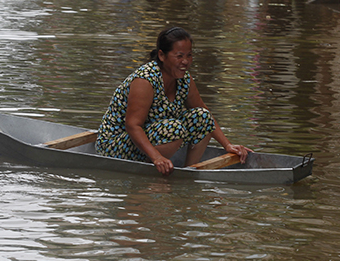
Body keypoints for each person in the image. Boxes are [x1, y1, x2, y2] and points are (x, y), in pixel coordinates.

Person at [96, 27, 251, 175]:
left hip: (155, 136)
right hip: (116, 145)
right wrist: (156, 157)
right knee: (173, 128)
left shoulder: (184, 79)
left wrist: (227, 145)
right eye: (179, 56)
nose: (185, 61)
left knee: (202, 117)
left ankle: (188, 171)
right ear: (162, 56)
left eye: (189, 55)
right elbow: (133, 125)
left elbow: (206, 115)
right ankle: (156, 170)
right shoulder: (145, 80)